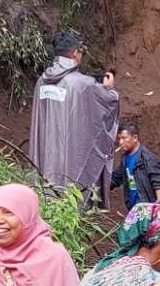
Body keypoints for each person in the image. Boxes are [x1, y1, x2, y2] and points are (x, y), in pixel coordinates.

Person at [28, 30, 120, 207]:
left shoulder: (42, 81)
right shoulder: (81, 84)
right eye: (80, 52)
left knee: (45, 194)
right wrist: (109, 89)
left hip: (45, 155)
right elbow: (108, 103)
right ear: (74, 53)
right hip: (69, 160)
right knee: (68, 193)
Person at [108, 124, 160, 210]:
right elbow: (116, 178)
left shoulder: (147, 157)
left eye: (124, 138)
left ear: (135, 138)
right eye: (119, 138)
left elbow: (158, 180)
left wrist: (159, 204)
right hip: (134, 207)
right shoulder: (125, 158)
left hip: (147, 207)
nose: (120, 142)